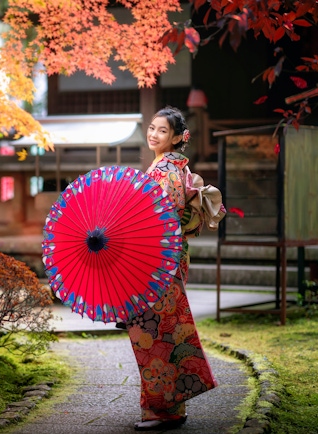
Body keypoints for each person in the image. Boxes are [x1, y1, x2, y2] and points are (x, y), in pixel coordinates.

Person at [128, 106, 218, 431]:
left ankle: (164, 413)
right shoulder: (167, 165)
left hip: (159, 259)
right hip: (166, 256)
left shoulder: (165, 170)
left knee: (157, 334)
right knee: (162, 330)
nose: (154, 134)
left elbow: (160, 219)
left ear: (178, 137)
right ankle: (168, 408)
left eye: (162, 131)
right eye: (152, 128)